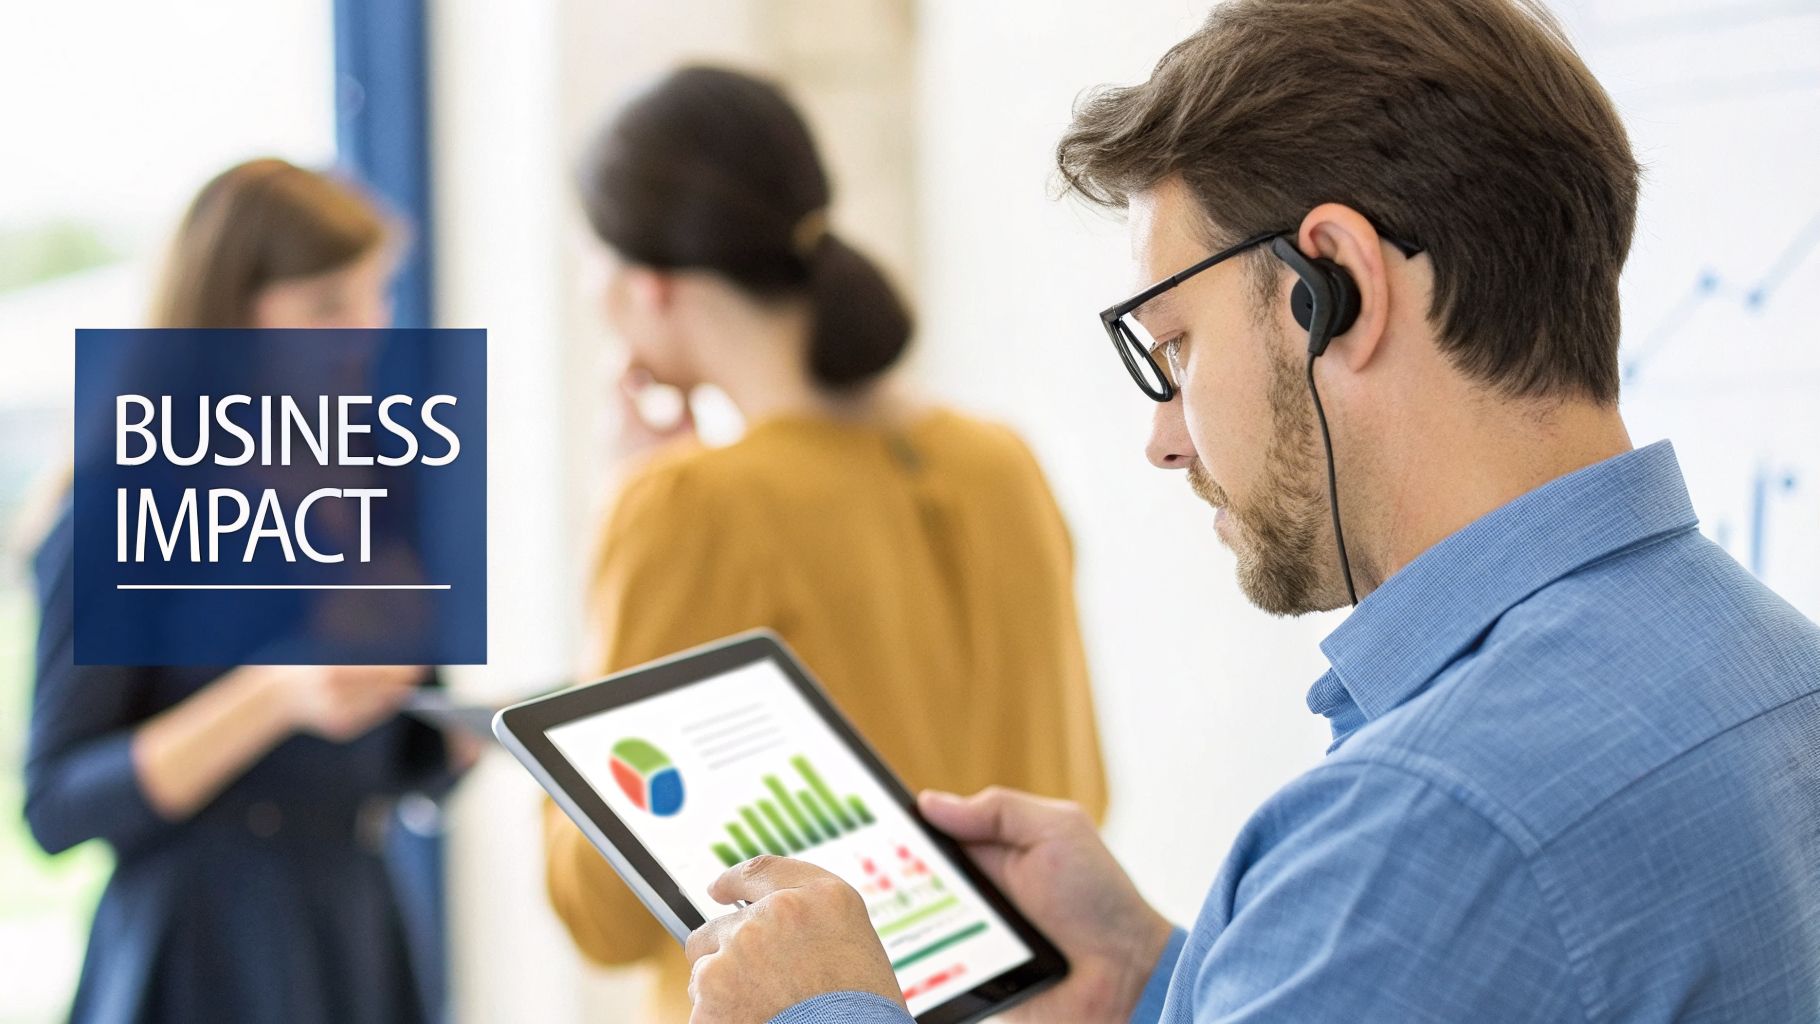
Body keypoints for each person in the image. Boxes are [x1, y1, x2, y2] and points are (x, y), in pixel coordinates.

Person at [670, 2, 1820, 1022]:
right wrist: (1157, 975)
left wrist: (815, 1010)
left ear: (1339, 288)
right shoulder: (1771, 662)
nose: (1164, 437)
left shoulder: (1420, 829)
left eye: (1175, 346)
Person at [540, 66, 1108, 1023]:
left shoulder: (686, 506)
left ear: (651, 288)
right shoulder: (999, 461)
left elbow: (600, 911)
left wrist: (622, 508)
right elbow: (1076, 792)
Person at [25, 159, 463, 1024]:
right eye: (327, 306)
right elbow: (58, 805)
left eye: (376, 297)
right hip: (203, 955)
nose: (366, 332)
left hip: (357, 932)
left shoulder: (379, 480)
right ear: (229, 317)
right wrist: (269, 696)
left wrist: (459, 741)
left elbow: (393, 759)